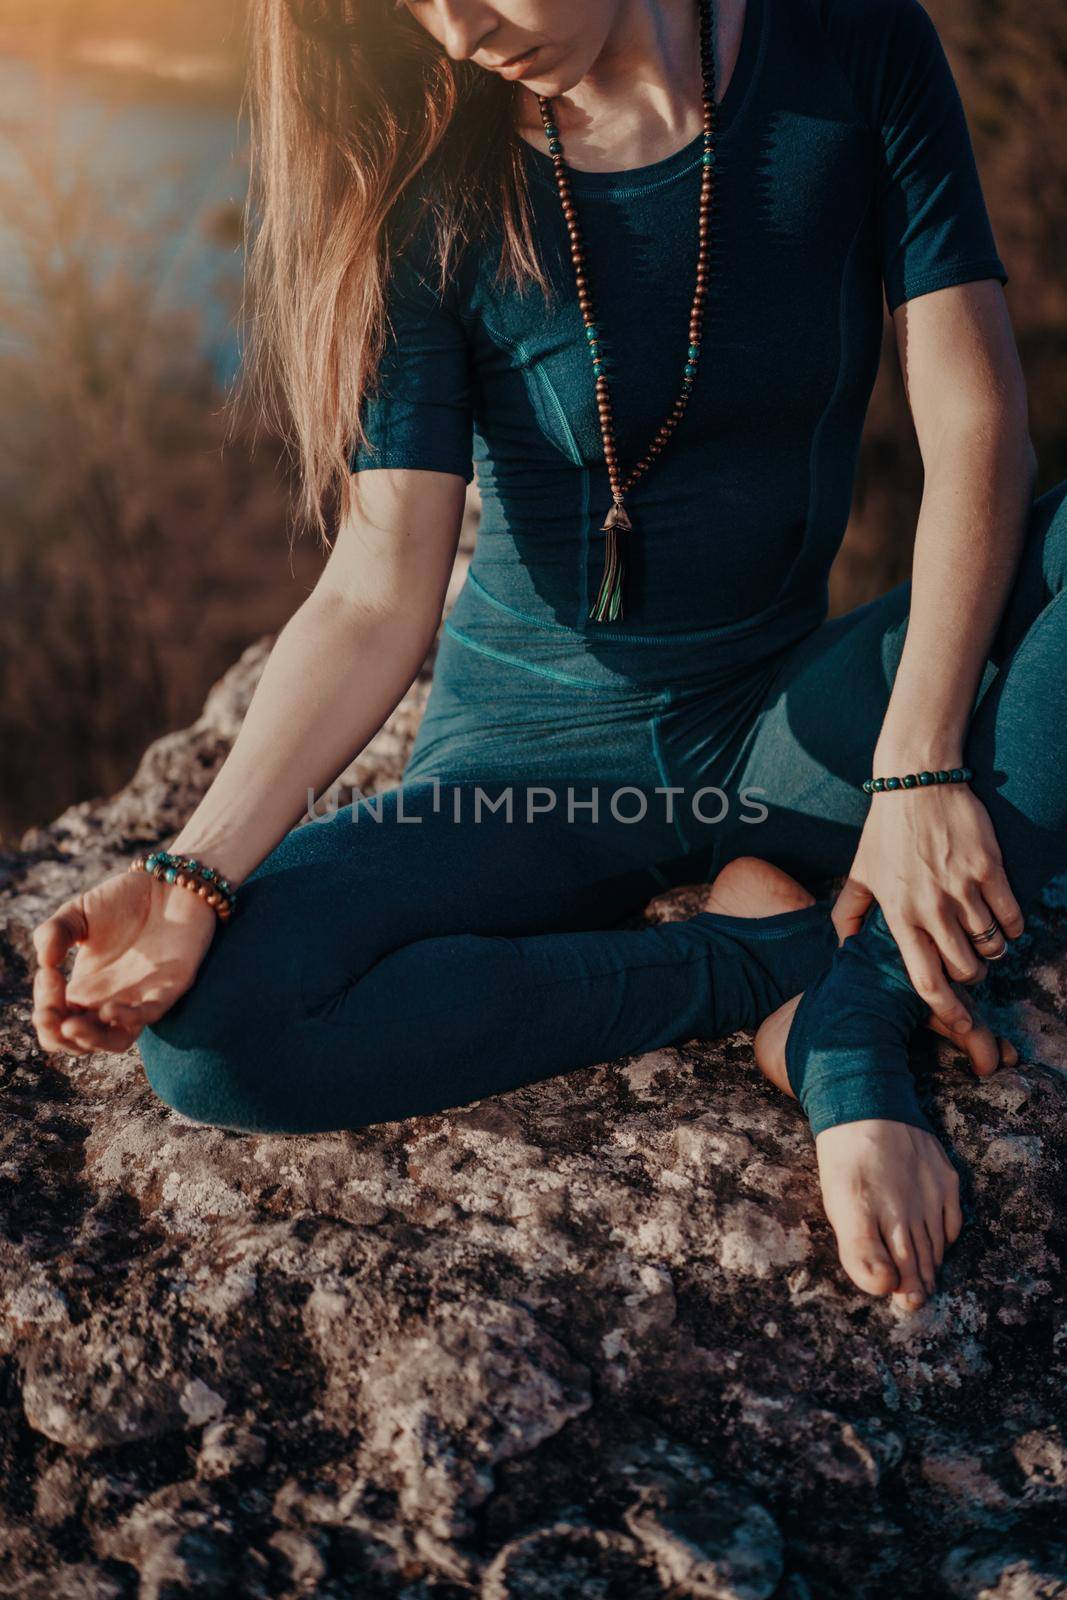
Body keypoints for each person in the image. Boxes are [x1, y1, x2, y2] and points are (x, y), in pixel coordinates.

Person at [31, 0, 1067, 1316]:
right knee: (223, 1035)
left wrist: (918, 772)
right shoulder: (438, 185)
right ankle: (771, 964)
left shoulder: (850, 46)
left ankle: (854, 1008)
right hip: (527, 785)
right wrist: (194, 872)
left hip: (791, 736)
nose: (459, 30)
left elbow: (975, 423)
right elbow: (374, 584)